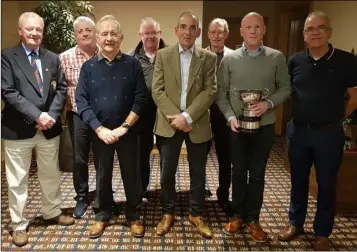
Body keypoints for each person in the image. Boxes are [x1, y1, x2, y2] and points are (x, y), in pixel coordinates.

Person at [278, 11, 357, 251]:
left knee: (326, 183)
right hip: (299, 131)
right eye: (310, 29)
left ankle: (322, 232)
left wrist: (335, 119)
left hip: (329, 133)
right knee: (298, 181)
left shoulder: (345, 60)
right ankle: (295, 223)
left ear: (329, 32)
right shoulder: (295, 61)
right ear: (303, 35)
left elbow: (354, 96)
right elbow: (287, 91)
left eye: (320, 28)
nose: (315, 32)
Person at [215, 12, 291, 242]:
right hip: (237, 126)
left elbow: (286, 88)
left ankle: (253, 219)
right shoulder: (230, 59)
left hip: (265, 126)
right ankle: (237, 214)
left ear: (264, 30)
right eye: (248, 27)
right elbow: (220, 93)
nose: (253, 30)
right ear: (241, 31)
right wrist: (229, 117)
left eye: (258, 26)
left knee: (257, 174)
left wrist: (268, 103)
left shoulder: (276, 58)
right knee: (238, 172)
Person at [1, 12, 74, 247]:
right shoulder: (7, 56)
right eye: (29, 29)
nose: (34, 33)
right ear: (20, 30)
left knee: (50, 174)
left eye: (38, 30)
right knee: (17, 180)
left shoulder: (52, 58)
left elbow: (61, 88)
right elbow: (8, 92)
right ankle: (19, 224)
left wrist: (50, 116)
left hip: (48, 129)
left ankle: (51, 211)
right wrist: (37, 115)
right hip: (17, 129)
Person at [76, 15, 148, 239]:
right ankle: (102, 214)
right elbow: (81, 101)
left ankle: (134, 215)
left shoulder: (133, 63)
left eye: (113, 33)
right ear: (98, 37)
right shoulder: (88, 68)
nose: (109, 38)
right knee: (102, 174)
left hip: (128, 131)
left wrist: (125, 127)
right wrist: (99, 129)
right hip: (101, 133)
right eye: (104, 34)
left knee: (131, 173)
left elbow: (141, 98)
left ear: (121, 37)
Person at [152, 10, 217, 238]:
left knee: (198, 174)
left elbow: (210, 90)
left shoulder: (209, 58)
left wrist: (187, 117)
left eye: (192, 27)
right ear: (176, 30)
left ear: (198, 32)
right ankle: (167, 212)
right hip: (168, 124)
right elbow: (157, 90)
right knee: (166, 173)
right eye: (183, 26)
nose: (187, 31)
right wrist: (176, 118)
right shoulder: (162, 55)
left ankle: (196, 213)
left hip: (197, 124)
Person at [59, 16, 99, 218]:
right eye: (80, 31)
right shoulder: (64, 58)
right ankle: (81, 197)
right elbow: (60, 88)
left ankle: (102, 195)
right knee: (80, 159)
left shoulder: (105, 54)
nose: (84, 33)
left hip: (103, 117)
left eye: (88, 30)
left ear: (95, 32)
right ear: (75, 34)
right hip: (78, 116)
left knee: (103, 157)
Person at [128, 17, 167, 200]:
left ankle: (167, 190)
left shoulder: (170, 55)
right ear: (140, 35)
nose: (151, 36)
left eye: (154, 32)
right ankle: (141, 189)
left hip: (165, 113)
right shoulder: (131, 58)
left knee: (167, 153)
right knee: (141, 153)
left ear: (160, 33)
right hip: (141, 114)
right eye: (147, 33)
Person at [204, 18, 233, 211]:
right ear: (208, 34)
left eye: (220, 32)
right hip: (204, 113)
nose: (216, 36)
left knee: (226, 156)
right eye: (213, 32)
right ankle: (199, 190)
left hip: (225, 114)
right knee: (199, 155)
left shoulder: (234, 56)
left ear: (226, 34)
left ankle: (223, 193)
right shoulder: (200, 55)